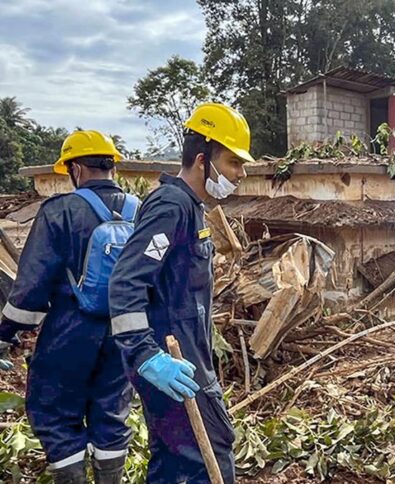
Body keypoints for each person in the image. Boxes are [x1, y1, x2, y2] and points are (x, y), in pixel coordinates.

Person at [109, 103, 253, 483]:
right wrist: (147, 357)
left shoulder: (191, 208)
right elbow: (125, 284)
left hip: (186, 363)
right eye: (234, 163)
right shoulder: (171, 207)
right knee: (211, 457)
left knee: (172, 466)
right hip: (173, 368)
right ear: (203, 159)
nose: (241, 174)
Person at [0, 131, 137, 484]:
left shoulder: (60, 211)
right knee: (111, 413)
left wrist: (7, 331)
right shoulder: (141, 211)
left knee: (55, 413)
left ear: (75, 168)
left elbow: (31, 286)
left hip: (69, 331)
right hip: (126, 332)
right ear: (111, 165)